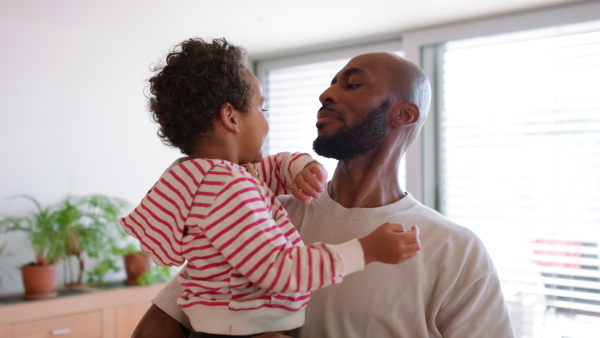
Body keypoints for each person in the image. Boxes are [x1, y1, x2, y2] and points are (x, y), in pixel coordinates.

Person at [132, 51, 514, 337]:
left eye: (351, 84)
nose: (325, 94)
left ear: (403, 115)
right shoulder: (258, 217)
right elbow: (155, 329)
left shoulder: (456, 251)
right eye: (330, 84)